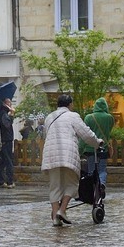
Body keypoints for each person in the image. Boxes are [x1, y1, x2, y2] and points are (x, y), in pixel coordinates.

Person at [41, 93, 100, 227]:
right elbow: (86, 134)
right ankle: (62, 210)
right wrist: (97, 143)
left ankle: (55, 217)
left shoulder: (49, 117)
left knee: (55, 185)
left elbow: (46, 135)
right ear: (70, 104)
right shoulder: (73, 116)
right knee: (72, 183)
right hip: (68, 153)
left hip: (51, 154)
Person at [83, 96, 114, 191]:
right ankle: (102, 183)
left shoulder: (89, 117)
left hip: (90, 148)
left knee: (91, 170)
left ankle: (93, 189)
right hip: (103, 148)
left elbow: (84, 132)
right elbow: (110, 130)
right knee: (102, 169)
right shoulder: (110, 118)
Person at [0, 98, 16, 186]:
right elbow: (7, 125)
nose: (11, 104)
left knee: (2, 161)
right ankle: (9, 181)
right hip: (6, 140)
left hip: (3, 139)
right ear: (6, 104)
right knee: (8, 161)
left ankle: (1, 180)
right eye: (9, 103)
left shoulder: (1, 112)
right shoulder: (3, 114)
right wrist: (12, 115)